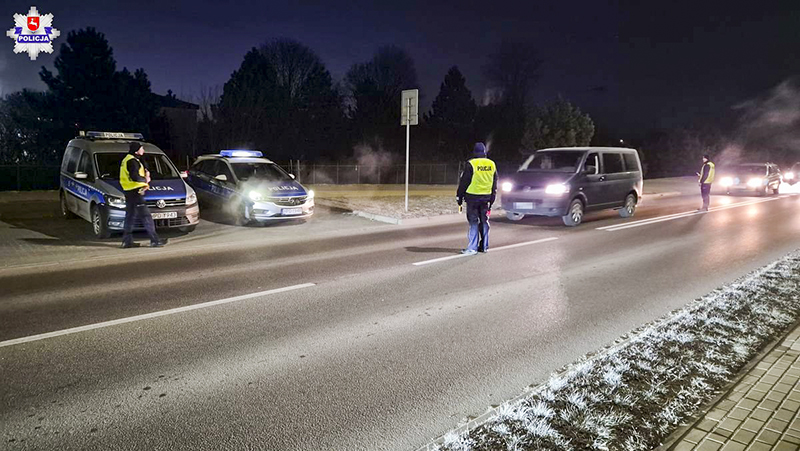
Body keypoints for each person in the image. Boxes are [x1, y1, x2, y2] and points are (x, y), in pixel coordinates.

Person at [119, 142, 167, 248]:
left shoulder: (128, 159)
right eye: (142, 148)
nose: (143, 150)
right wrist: (146, 179)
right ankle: (155, 240)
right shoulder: (132, 161)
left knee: (130, 217)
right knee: (146, 216)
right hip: (135, 192)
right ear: (136, 150)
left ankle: (127, 242)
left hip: (129, 191)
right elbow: (135, 177)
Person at [456, 142, 498, 255]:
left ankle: (472, 248)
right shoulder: (492, 164)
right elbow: (494, 183)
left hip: (472, 198)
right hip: (486, 198)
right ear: (484, 152)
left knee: (473, 222)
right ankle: (484, 246)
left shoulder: (471, 164)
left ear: (474, 152)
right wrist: (492, 198)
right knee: (484, 221)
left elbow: (464, 182)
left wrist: (459, 196)